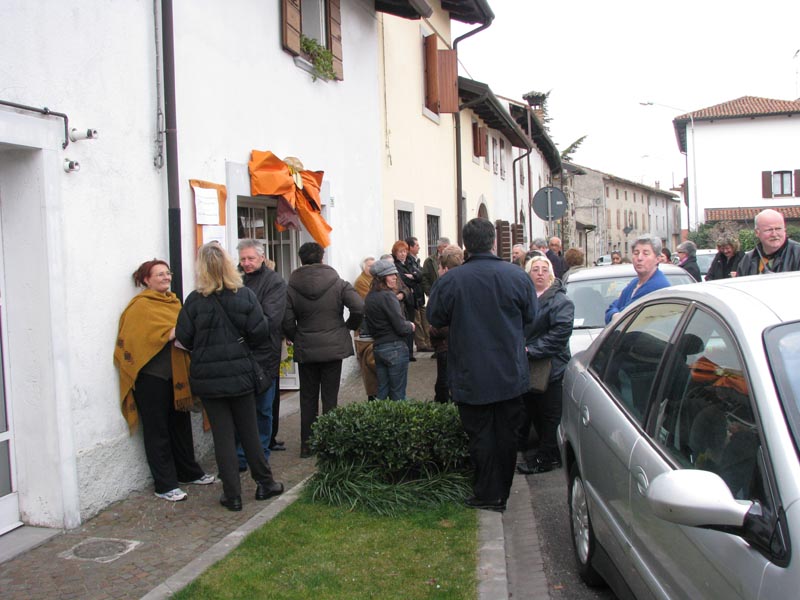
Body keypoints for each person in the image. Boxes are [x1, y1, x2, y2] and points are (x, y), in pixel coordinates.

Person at [428, 218, 537, 513]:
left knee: (480, 435)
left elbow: (435, 317)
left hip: (471, 372)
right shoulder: (516, 276)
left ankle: (489, 492)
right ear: (493, 242)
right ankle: (500, 492)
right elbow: (531, 316)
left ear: (466, 245)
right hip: (509, 371)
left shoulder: (451, 280)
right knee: (506, 434)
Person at [176, 243, 283, 512]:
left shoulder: (194, 300)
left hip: (208, 377)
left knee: (222, 437)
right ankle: (265, 482)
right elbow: (259, 333)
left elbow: (184, 337)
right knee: (250, 431)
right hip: (240, 374)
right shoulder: (244, 295)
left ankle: (232, 494)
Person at [114, 259, 214, 503]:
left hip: (176, 377)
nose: (166, 277)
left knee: (180, 426)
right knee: (157, 430)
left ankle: (188, 472)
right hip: (151, 379)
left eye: (168, 273)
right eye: (159, 274)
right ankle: (165, 484)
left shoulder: (174, 302)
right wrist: (176, 331)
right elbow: (139, 340)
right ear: (146, 279)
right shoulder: (140, 307)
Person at [283, 242, 364, 457]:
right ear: (322, 258)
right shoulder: (338, 283)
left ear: (301, 259)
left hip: (307, 347)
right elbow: (359, 307)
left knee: (308, 398)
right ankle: (330, 443)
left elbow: (286, 320)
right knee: (330, 397)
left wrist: (297, 337)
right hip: (332, 346)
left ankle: (307, 445)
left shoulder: (291, 287)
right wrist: (347, 327)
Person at [517, 256, 574, 474]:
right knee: (532, 410)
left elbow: (559, 335)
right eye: (535, 269)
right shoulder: (524, 298)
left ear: (551, 274)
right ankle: (538, 451)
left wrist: (530, 350)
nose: (540, 273)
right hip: (529, 367)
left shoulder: (561, 301)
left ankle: (548, 458)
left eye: (544, 269)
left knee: (550, 415)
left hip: (551, 367)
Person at [235, 240, 287, 470]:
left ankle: (260, 456)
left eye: (251, 258)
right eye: (243, 259)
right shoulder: (235, 279)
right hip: (239, 355)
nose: (246, 263)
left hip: (265, 355)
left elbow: (270, 319)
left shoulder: (274, 281)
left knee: (263, 409)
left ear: (262, 258)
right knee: (240, 409)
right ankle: (240, 456)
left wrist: (239, 328)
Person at [364, 259, 415, 400]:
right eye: (390, 274)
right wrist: (410, 325)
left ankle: (380, 415)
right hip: (395, 348)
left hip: (379, 348)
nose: (395, 277)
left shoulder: (370, 297)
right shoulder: (388, 296)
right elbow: (400, 327)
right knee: (398, 395)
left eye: (395, 274)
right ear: (381, 278)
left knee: (382, 393)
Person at [605, 235, 671, 324]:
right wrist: (615, 315)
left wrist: (616, 315)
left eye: (645, 253)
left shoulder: (657, 286)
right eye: (636, 253)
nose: (639, 258)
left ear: (657, 259)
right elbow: (611, 309)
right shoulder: (635, 283)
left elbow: (626, 318)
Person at [428, 245, 464, 403]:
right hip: (460, 344)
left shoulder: (443, 285)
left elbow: (436, 318)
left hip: (446, 344)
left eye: (440, 268)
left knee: (444, 381)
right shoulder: (468, 280)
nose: (438, 271)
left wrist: (433, 331)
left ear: (445, 268)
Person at [737, 209, 800, 275]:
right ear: (757, 232)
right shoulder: (747, 260)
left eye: (778, 229)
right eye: (769, 230)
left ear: (784, 229)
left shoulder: (797, 254)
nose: (774, 234)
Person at [353, 256, 377, 401]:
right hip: (365, 328)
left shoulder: (374, 280)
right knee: (368, 366)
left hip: (370, 326)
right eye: (369, 266)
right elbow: (369, 301)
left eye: (374, 265)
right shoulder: (361, 282)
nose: (372, 268)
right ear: (364, 268)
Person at [404, 237, 434, 353]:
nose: (419, 247)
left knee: (425, 319)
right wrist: (418, 275)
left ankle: (428, 342)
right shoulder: (408, 261)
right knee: (417, 321)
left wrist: (417, 275)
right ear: (410, 247)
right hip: (414, 295)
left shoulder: (416, 260)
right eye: (416, 245)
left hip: (419, 293)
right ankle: (421, 344)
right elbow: (413, 275)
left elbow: (421, 275)